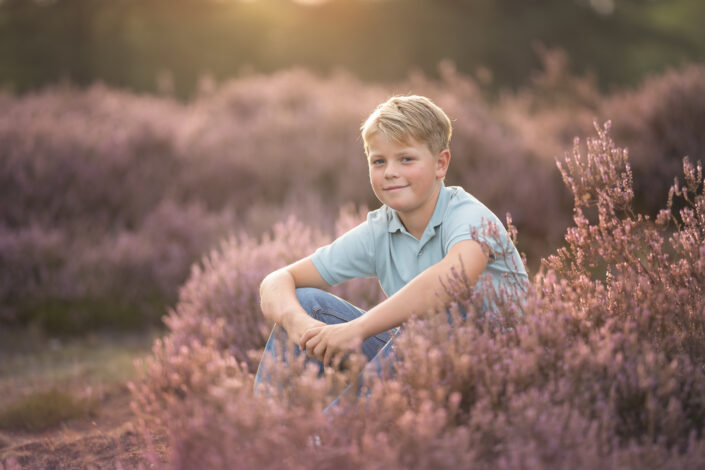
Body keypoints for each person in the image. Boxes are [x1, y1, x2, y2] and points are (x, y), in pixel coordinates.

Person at [254, 95, 528, 409]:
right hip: (419, 358)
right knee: (307, 302)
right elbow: (276, 280)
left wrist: (356, 330)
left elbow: (450, 281)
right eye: (379, 161)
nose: (390, 172)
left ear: (441, 164)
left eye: (406, 159)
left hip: (500, 367)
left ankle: (330, 440)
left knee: (439, 317)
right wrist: (299, 324)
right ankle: (264, 432)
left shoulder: (470, 217)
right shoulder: (380, 229)